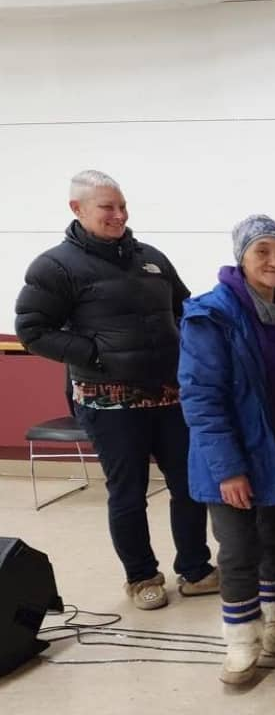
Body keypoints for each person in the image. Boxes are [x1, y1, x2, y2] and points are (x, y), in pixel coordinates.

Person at [14, 170, 217, 609]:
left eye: (122, 205)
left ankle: (196, 569)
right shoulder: (55, 267)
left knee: (190, 484)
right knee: (129, 492)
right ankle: (141, 576)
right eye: (108, 207)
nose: (119, 214)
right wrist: (96, 354)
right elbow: (32, 330)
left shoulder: (151, 258)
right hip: (109, 401)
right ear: (77, 208)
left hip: (168, 394)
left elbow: (186, 310)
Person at [179, 215, 275, 685]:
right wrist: (228, 469)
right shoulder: (211, 314)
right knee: (238, 548)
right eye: (262, 251)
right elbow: (201, 398)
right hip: (232, 456)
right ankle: (241, 641)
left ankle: (274, 621)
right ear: (241, 257)